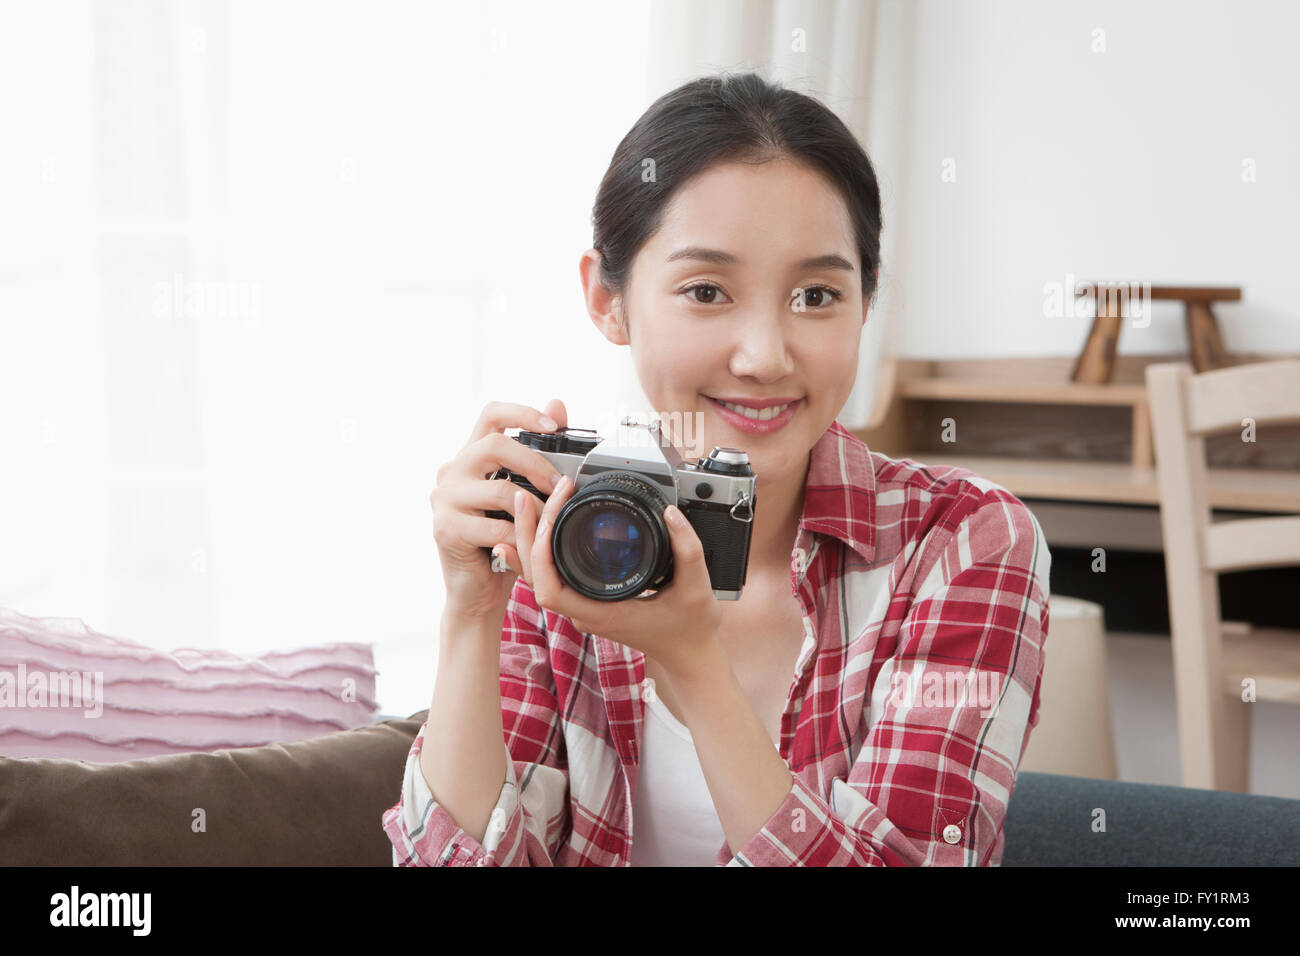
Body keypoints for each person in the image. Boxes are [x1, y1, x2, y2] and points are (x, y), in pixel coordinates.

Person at [384, 71, 1050, 866]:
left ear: (867, 300)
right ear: (607, 300)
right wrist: (470, 612)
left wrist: (694, 665)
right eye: (707, 289)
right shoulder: (563, 531)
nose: (765, 356)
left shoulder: (962, 543)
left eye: (816, 296)